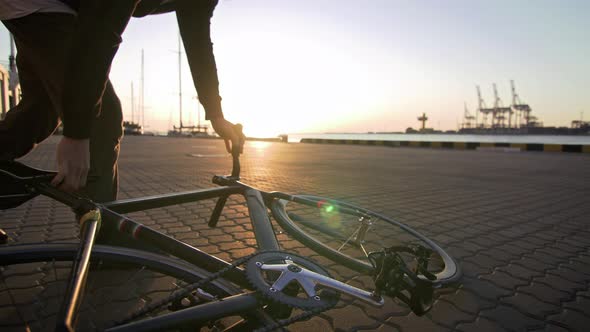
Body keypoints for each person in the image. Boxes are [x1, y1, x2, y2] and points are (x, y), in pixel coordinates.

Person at [0, 0, 244, 244]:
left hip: (53, 7)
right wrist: (77, 134)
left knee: (40, 112)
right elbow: (100, 32)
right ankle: (103, 241)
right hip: (43, 5)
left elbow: (198, 42)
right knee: (102, 118)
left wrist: (216, 113)